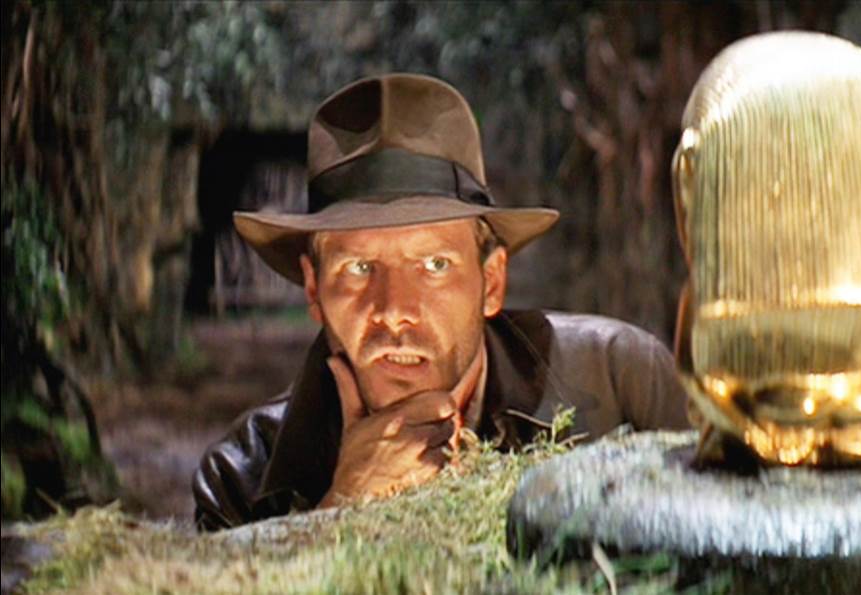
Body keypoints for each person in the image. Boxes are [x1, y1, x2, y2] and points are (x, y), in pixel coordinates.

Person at [191, 73, 690, 530]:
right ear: (313, 289)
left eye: (434, 265)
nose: (394, 310)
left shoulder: (622, 381)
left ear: (491, 282)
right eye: (359, 268)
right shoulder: (241, 477)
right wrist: (342, 507)